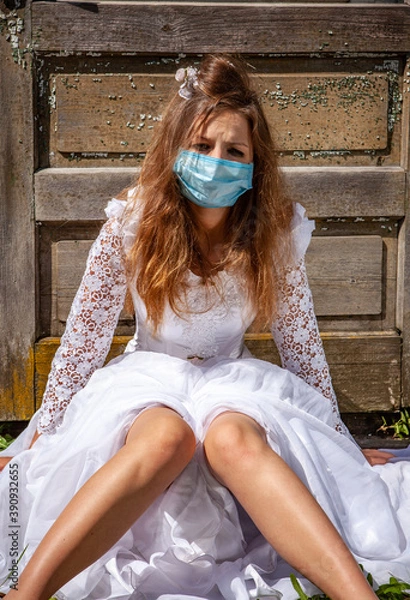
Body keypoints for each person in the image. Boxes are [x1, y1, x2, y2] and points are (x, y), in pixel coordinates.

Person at [0, 54, 408, 600]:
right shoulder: (133, 223)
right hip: (149, 377)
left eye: (234, 151)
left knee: (233, 438)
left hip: (231, 380)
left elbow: (299, 340)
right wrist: (43, 430)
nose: (218, 161)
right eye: (202, 146)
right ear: (175, 151)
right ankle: (26, 594)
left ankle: (355, 595)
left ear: (254, 164)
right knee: (167, 437)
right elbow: (85, 335)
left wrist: (339, 436)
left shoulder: (274, 234)